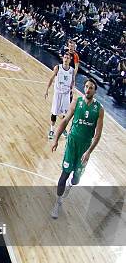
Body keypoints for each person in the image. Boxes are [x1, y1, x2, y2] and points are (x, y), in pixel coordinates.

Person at [50, 78, 104, 219]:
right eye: (86, 86)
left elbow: (97, 135)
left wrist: (88, 152)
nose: (87, 89)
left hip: (85, 147)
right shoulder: (76, 102)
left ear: (95, 91)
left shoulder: (99, 109)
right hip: (72, 144)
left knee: (76, 179)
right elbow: (65, 120)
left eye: (91, 87)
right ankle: (58, 202)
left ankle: (71, 184)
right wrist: (55, 139)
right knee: (64, 175)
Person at [45, 53, 73, 140]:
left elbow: (73, 81)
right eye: (65, 57)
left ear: (70, 60)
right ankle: (52, 130)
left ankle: (63, 129)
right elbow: (51, 78)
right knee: (54, 112)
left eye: (67, 58)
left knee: (65, 114)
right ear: (63, 58)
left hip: (66, 94)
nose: (66, 59)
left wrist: (72, 90)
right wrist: (47, 90)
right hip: (58, 93)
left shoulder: (72, 70)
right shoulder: (58, 67)